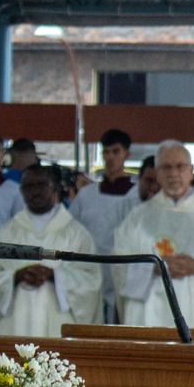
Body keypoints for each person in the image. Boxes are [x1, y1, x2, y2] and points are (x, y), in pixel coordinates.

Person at [111, 141, 194, 330]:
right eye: (166, 167)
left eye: (180, 166)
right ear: (157, 173)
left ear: (191, 171)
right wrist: (154, 267)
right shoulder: (138, 217)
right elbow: (119, 265)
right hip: (150, 314)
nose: (173, 173)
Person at [0, 165, 100, 337]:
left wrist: (54, 275)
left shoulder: (77, 234)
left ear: (55, 188)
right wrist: (16, 276)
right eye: (28, 186)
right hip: (17, 321)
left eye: (41, 184)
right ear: (21, 191)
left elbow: (91, 278)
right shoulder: (6, 233)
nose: (35, 191)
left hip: (59, 321)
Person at [71, 128, 139, 322]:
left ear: (127, 155)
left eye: (115, 152)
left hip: (126, 270)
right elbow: (72, 230)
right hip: (91, 270)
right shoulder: (87, 195)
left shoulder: (136, 197)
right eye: (106, 152)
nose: (110, 158)